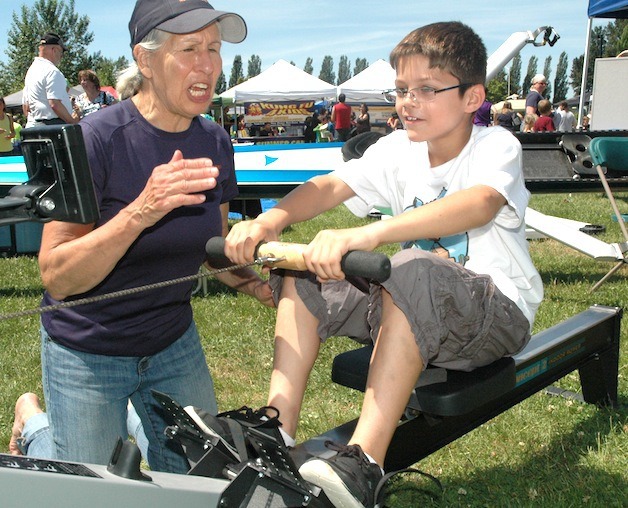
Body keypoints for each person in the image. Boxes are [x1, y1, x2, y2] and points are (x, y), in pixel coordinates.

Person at [218, 21, 542, 507]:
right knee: (300, 266)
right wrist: (271, 222)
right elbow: (329, 186)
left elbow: (479, 204)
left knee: (410, 265)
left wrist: (368, 233)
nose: (408, 101)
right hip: (417, 304)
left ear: (472, 97)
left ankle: (364, 462)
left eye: (427, 90)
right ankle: (275, 427)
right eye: (402, 90)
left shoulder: (495, 145)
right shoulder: (397, 148)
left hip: (496, 317)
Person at [34, 0, 272, 475]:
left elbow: (213, 249)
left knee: (203, 477)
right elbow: (57, 276)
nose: (207, 65)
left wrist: (262, 286)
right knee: (92, 495)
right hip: (87, 351)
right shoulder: (93, 139)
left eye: (213, 48)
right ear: (145, 60)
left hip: (172, 341)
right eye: (189, 49)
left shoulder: (215, 141)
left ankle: (139, 428)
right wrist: (141, 211)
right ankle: (36, 426)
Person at [22, 32, 79, 128]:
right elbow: (54, 104)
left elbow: (26, 107)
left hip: (37, 125)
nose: (61, 56)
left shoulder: (31, 71)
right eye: (61, 52)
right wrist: (72, 122)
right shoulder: (52, 71)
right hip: (54, 125)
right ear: (54, 50)